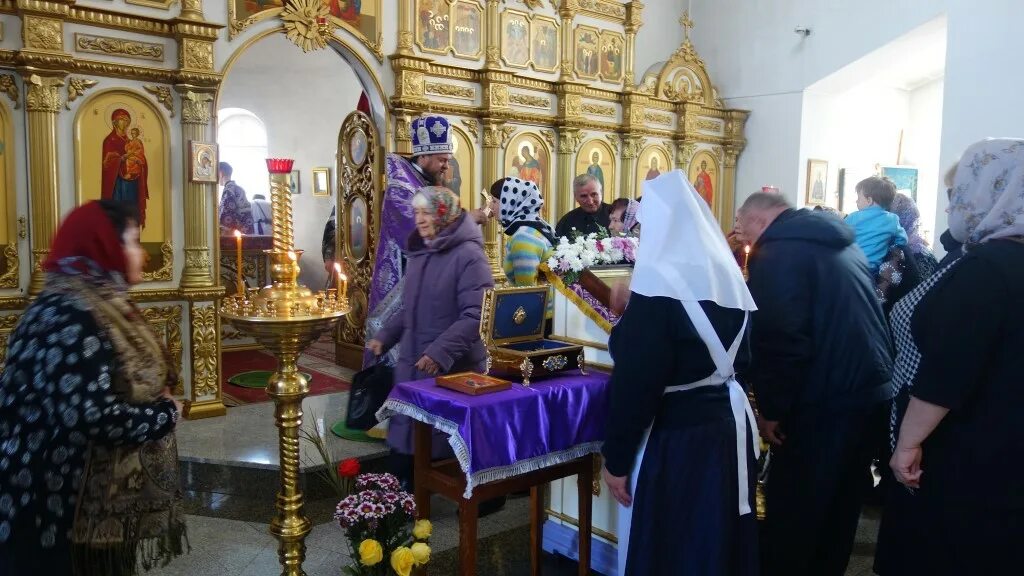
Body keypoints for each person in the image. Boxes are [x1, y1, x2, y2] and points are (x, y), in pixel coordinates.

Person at [0, 201, 186, 575]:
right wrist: (163, 414)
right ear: (105, 247)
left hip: (71, 497)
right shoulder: (75, 314)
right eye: (133, 242)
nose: (142, 255)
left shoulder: (92, 305)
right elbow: (91, 416)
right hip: (54, 502)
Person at [874, 138, 1024, 576]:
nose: (952, 206)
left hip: (969, 455)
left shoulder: (987, 268)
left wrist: (908, 443)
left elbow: (947, 371)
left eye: (959, 194)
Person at [602, 171, 760, 575]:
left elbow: (635, 385)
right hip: (728, 428)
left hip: (679, 439)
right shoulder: (728, 278)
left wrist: (616, 461)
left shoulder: (656, 290)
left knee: (675, 543)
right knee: (718, 536)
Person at [736, 192, 894, 576]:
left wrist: (771, 411)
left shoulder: (778, 253)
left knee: (796, 510)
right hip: (869, 390)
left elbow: (781, 339)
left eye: (743, 230)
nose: (744, 240)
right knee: (841, 505)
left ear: (757, 220)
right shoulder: (835, 240)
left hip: (824, 401)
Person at [365, 187, 493, 491]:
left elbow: (477, 315)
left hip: (448, 368)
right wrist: (385, 337)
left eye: (425, 212)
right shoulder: (424, 250)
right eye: (416, 212)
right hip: (413, 363)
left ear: (443, 214)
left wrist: (439, 353)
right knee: (407, 436)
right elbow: (413, 307)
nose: (418, 219)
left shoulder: (469, 256)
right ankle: (401, 498)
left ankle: (469, 498)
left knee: (440, 440)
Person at [363, 115, 454, 368]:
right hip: (402, 275)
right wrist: (466, 221)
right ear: (424, 156)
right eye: (442, 160)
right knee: (398, 356)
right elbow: (414, 231)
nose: (446, 166)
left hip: (425, 276)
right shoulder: (400, 187)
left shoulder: (426, 182)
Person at [488, 177, 557, 286]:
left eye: (494, 201)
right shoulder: (538, 225)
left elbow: (527, 292)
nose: (490, 206)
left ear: (510, 202)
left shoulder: (523, 237)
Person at [845, 176, 908, 274]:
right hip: (872, 269)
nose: (856, 201)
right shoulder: (892, 220)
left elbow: (839, 235)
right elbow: (903, 240)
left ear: (869, 201)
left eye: (858, 198)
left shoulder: (853, 217)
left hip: (850, 265)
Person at [555, 173, 611, 238]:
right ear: (575, 197)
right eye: (584, 196)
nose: (590, 202)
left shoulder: (615, 216)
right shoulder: (566, 221)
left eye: (594, 194)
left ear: (601, 193)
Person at [218, 162, 254, 235]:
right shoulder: (239, 188)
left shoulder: (229, 190)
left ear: (220, 174)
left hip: (236, 234)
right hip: (247, 231)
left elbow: (227, 217)